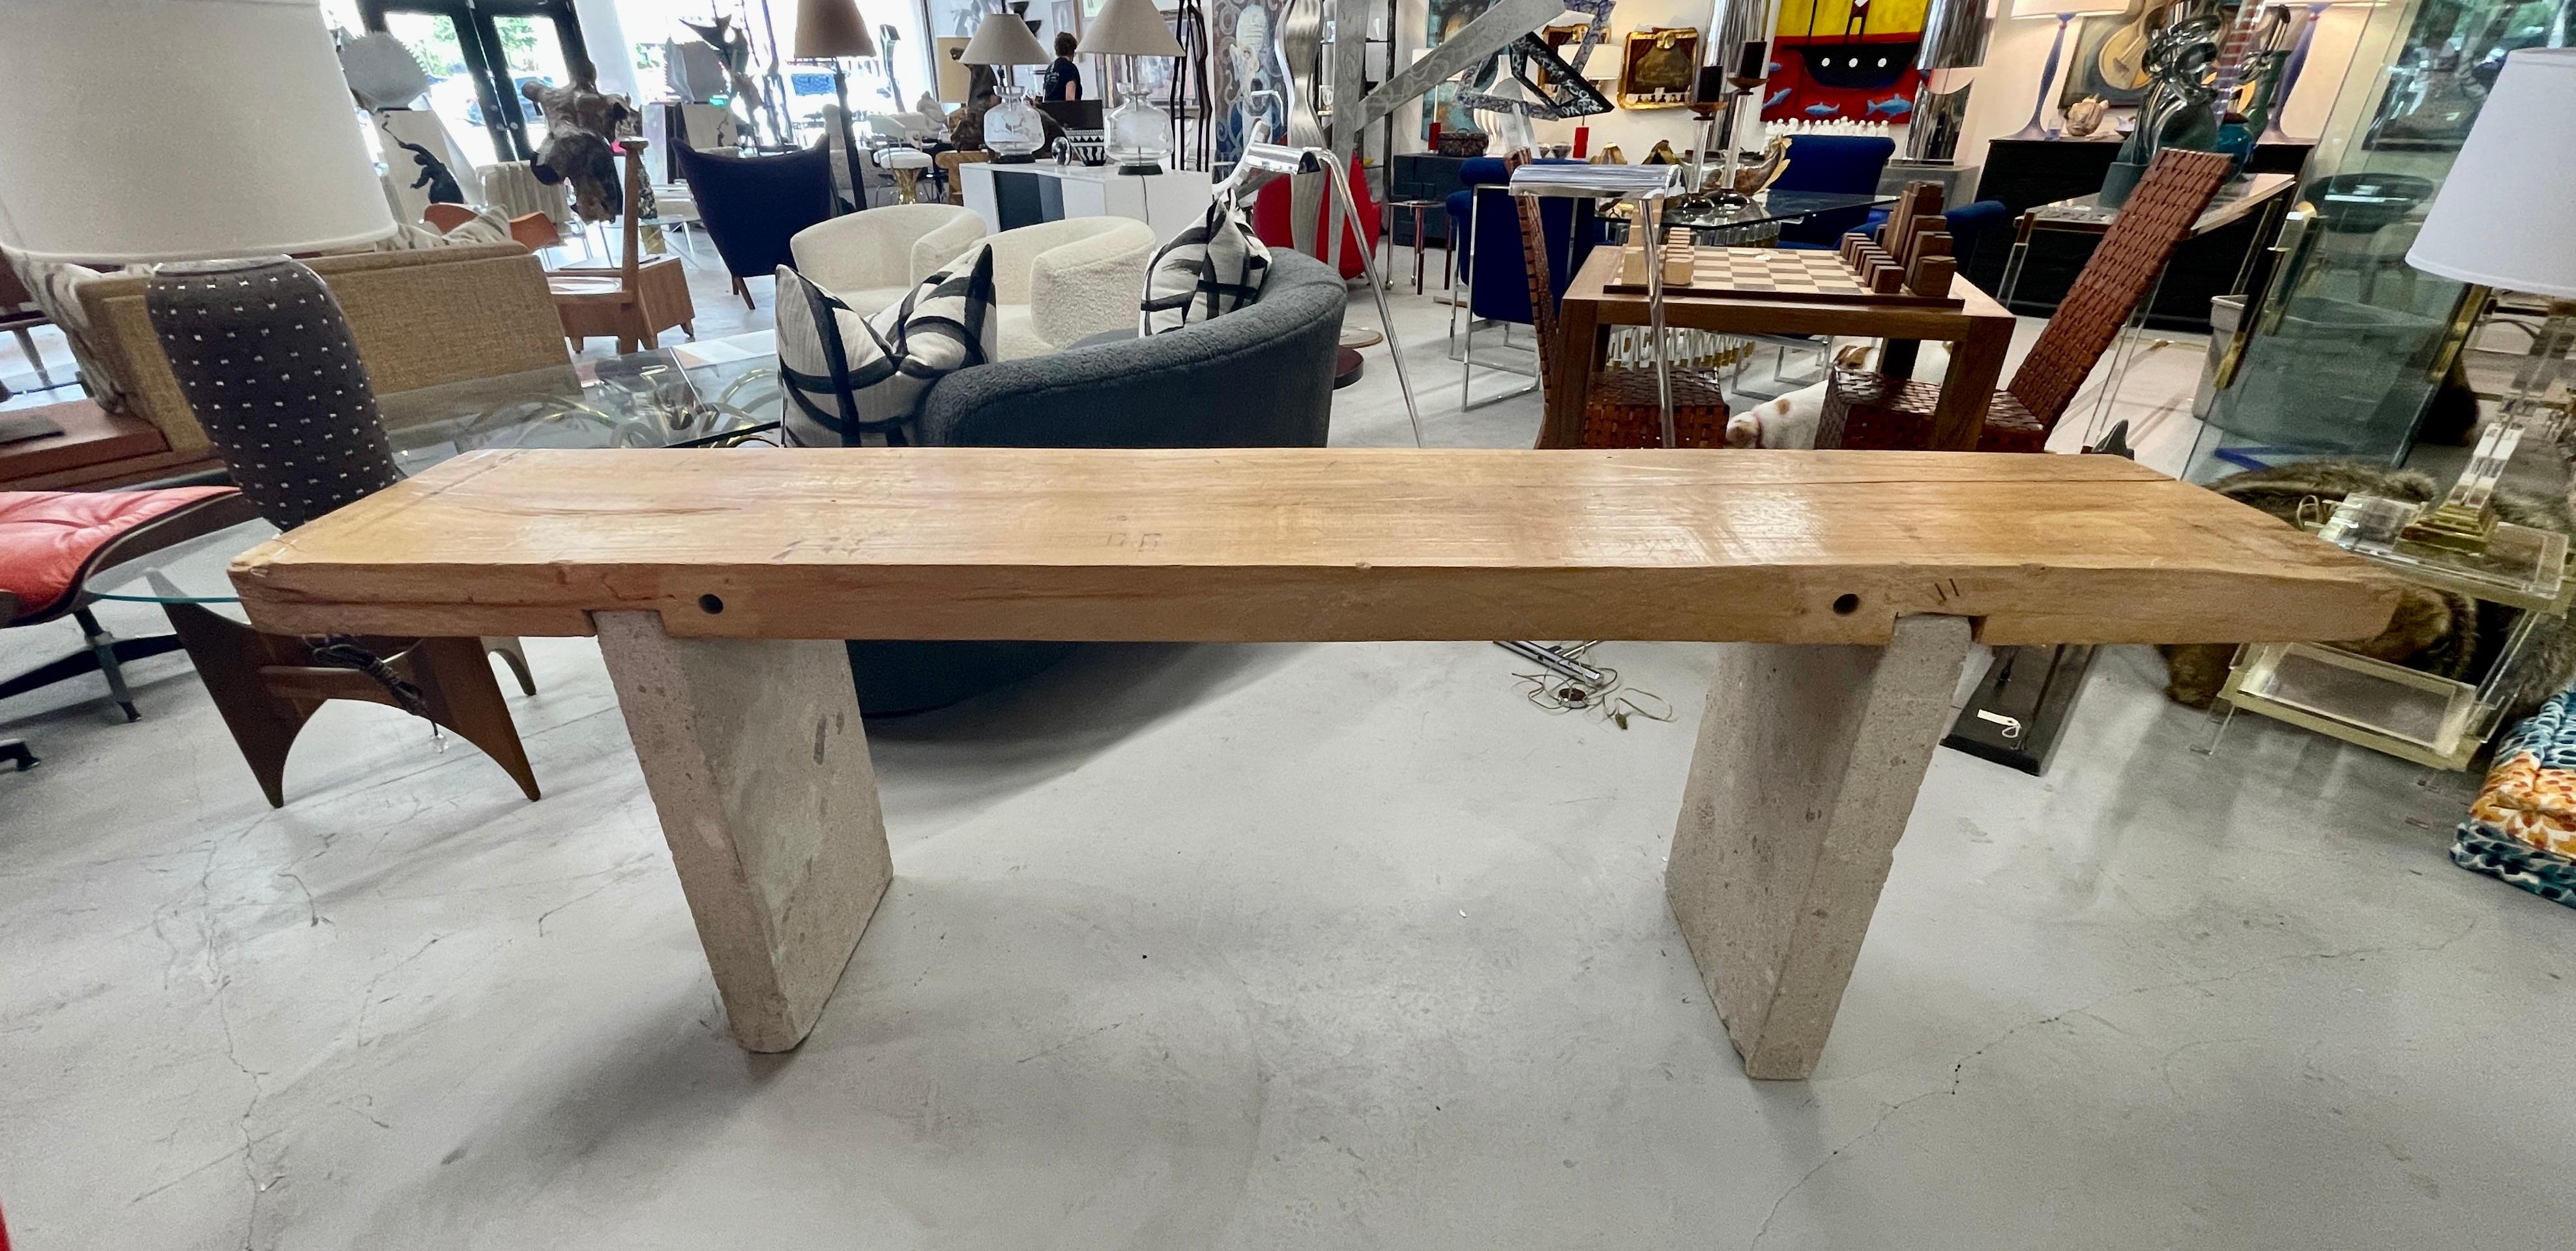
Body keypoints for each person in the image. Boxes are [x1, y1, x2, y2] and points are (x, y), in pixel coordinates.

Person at [1043, 31, 1082, 102]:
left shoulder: (1050, 69)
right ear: (1072, 51)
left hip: (1048, 111)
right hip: (1064, 111)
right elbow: (1070, 98)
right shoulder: (1070, 68)